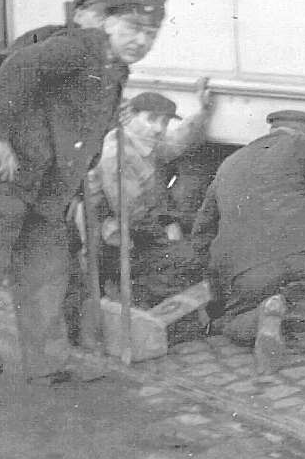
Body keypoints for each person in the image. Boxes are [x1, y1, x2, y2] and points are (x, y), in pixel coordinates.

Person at [0, 0, 167, 406]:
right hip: (0, 176)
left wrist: (83, 169)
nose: (140, 41)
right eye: (133, 28)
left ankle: (48, 362)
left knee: (45, 273)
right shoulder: (78, 47)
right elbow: (20, 66)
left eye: (150, 34)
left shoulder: (113, 67)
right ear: (109, 23)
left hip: (44, 187)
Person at [191, 110, 305, 374]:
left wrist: (214, 277)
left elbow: (202, 229)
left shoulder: (230, 162)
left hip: (245, 273)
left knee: (229, 321)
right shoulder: (301, 145)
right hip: (301, 254)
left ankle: (264, 314)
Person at [85, 85, 214, 305]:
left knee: (190, 251)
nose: (158, 128)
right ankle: (139, 301)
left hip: (136, 234)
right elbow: (134, 215)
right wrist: (168, 232)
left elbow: (178, 141)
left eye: (164, 122)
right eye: (152, 119)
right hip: (115, 245)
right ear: (131, 117)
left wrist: (203, 111)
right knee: (188, 258)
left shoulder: (144, 141)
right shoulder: (116, 154)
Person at [0, 0, 116, 63]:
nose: (105, 24)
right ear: (79, 14)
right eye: (100, 15)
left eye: (112, 18)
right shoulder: (43, 37)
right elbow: (7, 61)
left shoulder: (109, 54)